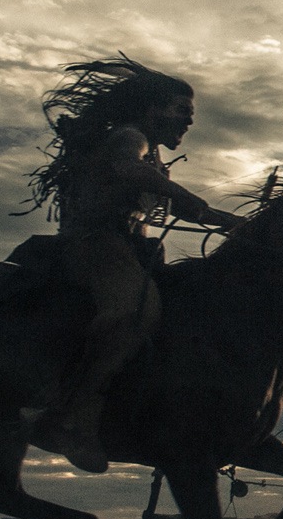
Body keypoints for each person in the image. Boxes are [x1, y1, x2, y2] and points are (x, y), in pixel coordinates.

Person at [18, 56, 243, 473]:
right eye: (182, 111)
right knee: (134, 312)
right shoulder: (130, 137)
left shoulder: (148, 148)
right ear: (151, 108)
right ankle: (67, 414)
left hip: (129, 247)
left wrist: (225, 220)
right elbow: (127, 168)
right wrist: (195, 204)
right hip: (97, 245)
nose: (189, 122)